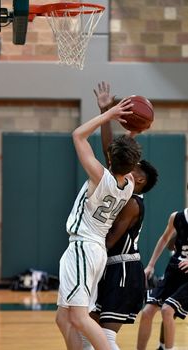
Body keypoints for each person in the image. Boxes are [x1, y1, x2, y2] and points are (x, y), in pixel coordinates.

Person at [55, 96, 142, 350]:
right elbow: (125, 158)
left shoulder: (100, 176)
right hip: (95, 252)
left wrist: (109, 113)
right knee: (64, 317)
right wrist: (130, 134)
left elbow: (78, 135)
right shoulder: (130, 185)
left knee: (80, 318)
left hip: (84, 247)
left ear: (110, 160)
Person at [81, 81, 158, 350]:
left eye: (134, 168)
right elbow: (111, 156)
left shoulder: (132, 203)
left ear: (138, 180)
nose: (127, 166)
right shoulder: (123, 189)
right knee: (87, 328)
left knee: (106, 335)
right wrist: (105, 111)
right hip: (110, 266)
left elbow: (111, 239)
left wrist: (85, 249)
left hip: (123, 269)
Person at [136, 207, 188, 350]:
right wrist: (151, 265)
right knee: (146, 312)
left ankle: (166, 348)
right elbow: (165, 238)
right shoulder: (176, 217)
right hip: (173, 272)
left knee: (167, 310)